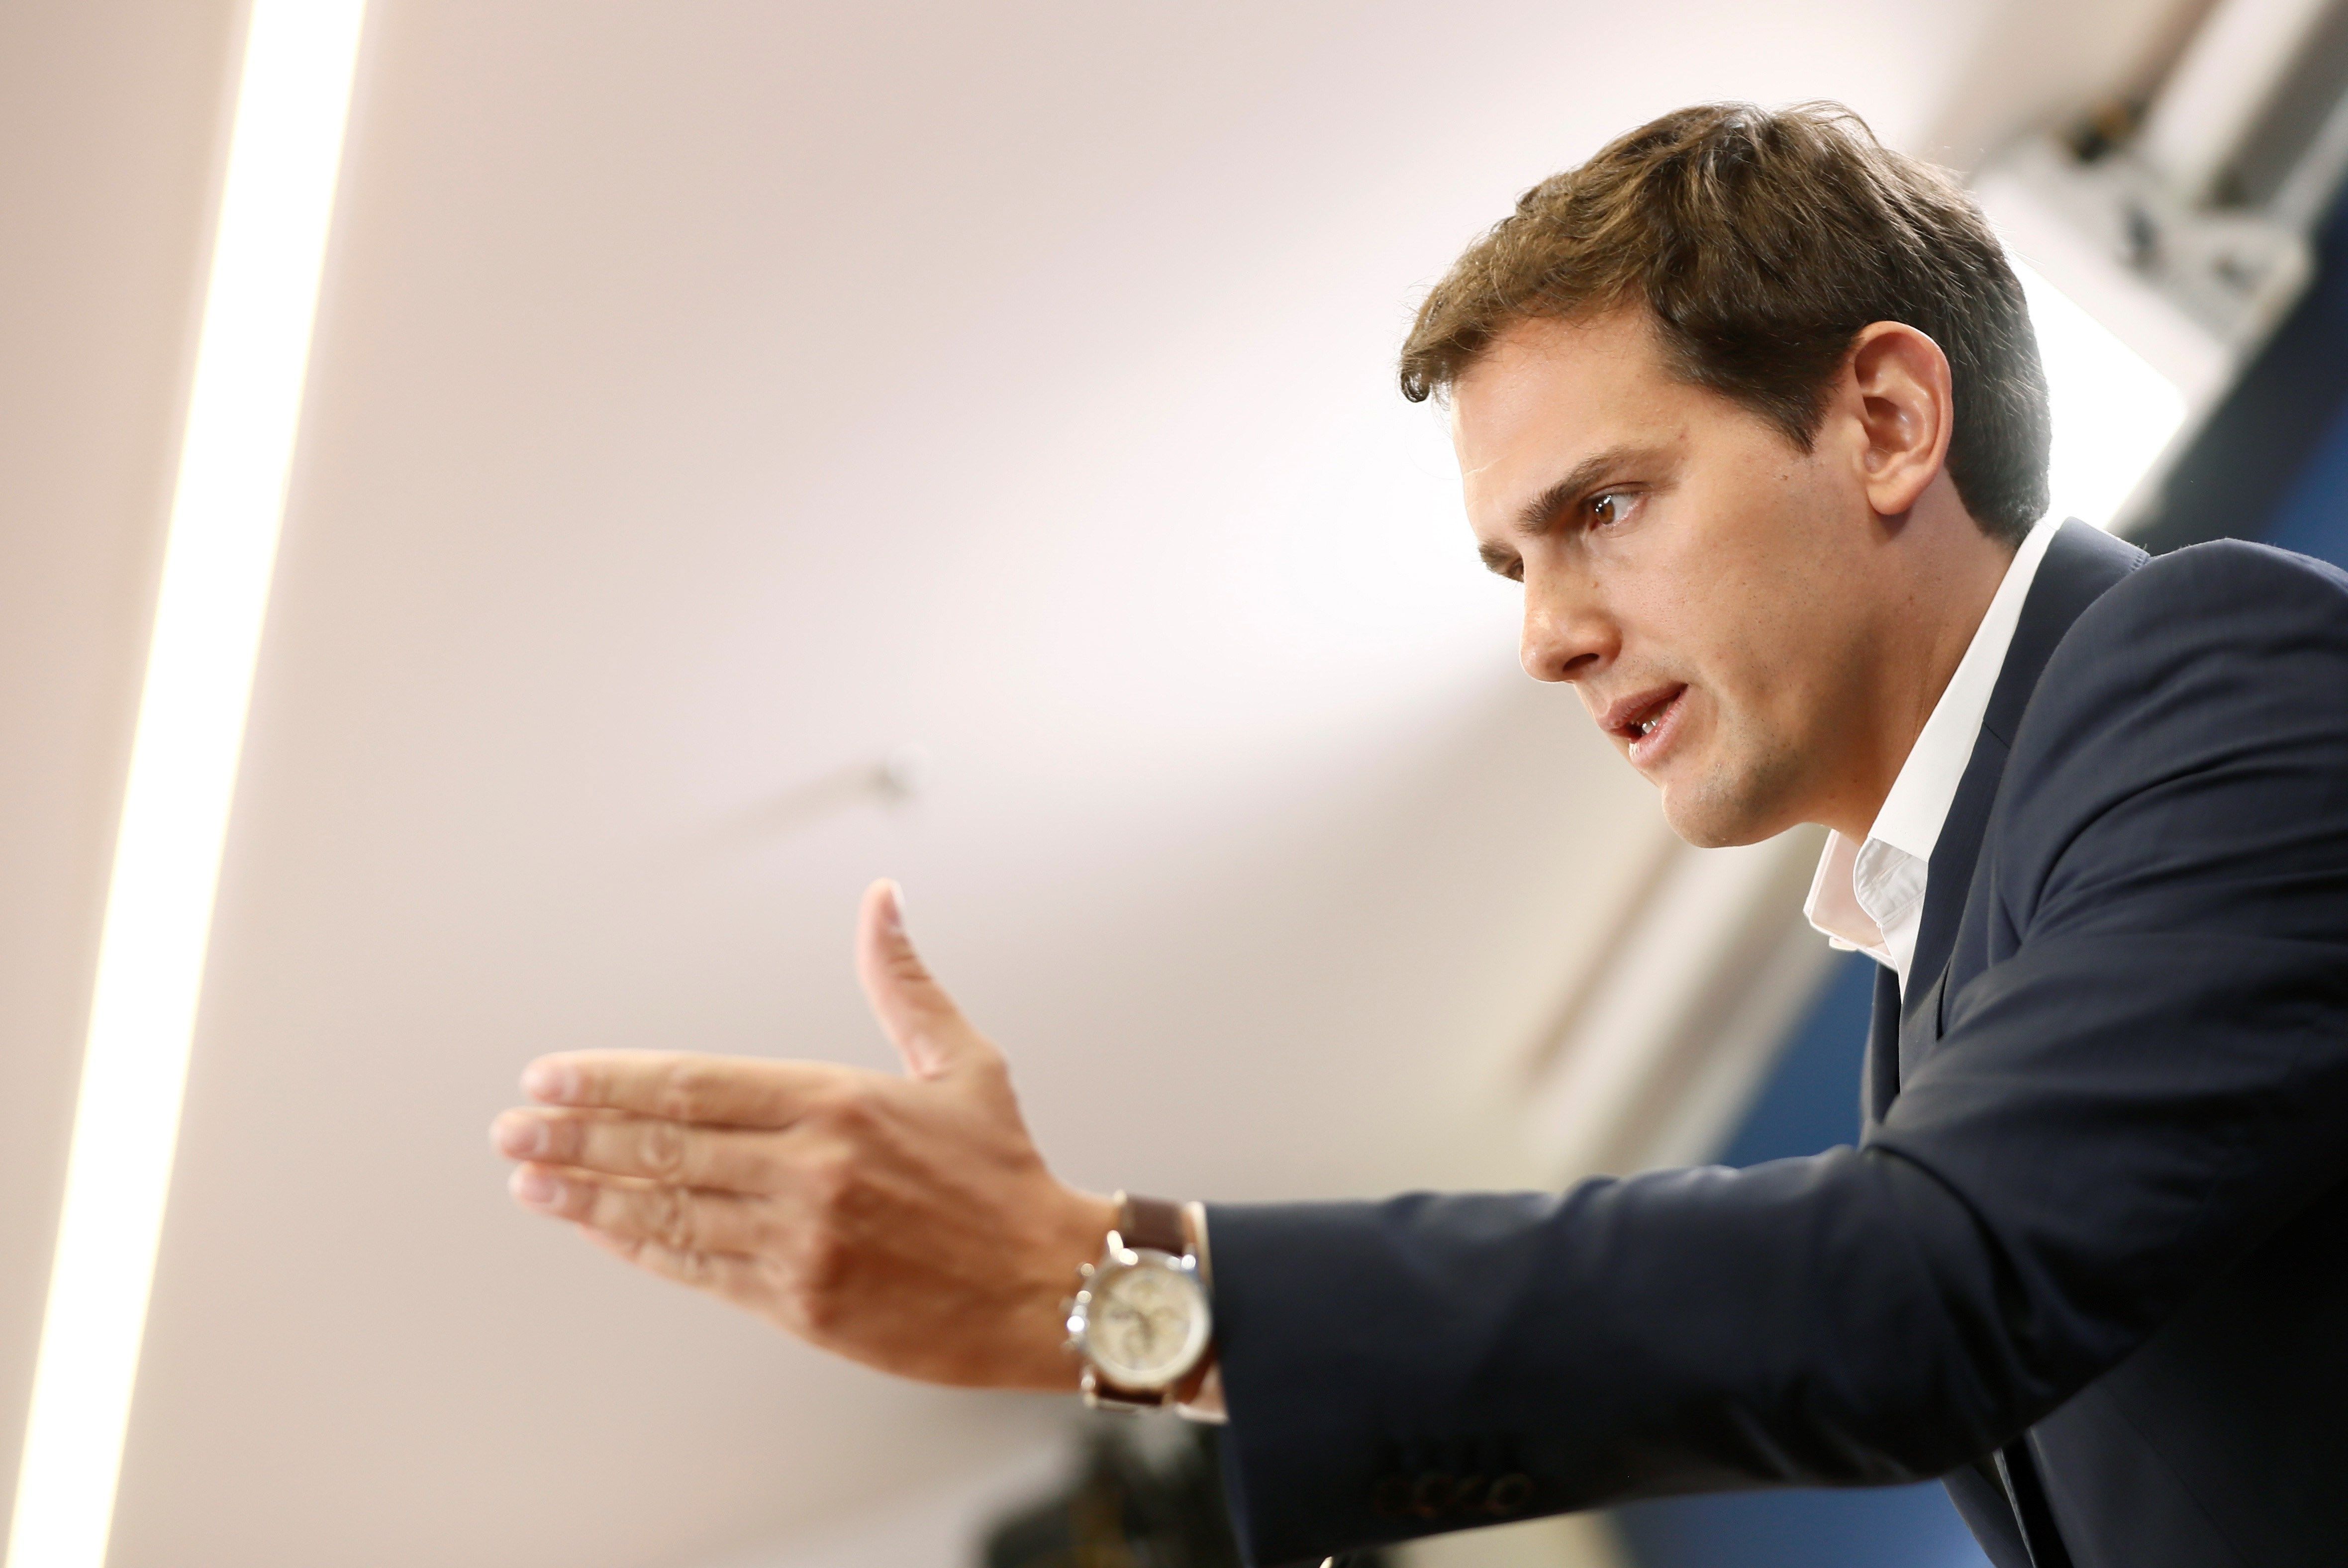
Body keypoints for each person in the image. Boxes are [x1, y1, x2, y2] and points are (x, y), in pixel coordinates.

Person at [489, 103, 2348, 1568]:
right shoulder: (1923, 982)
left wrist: (1118, 1291)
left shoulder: (2208, 671)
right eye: (1515, 566)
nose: (1547, 633)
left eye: (1605, 506)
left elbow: (1911, 1296)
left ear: (1878, 418)